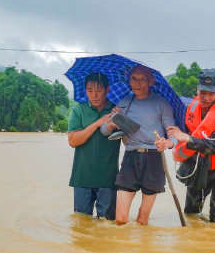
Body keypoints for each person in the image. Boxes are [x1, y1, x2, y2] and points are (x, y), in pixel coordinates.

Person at [101, 66, 178, 225]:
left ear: (151, 81)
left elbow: (173, 133)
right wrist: (112, 122)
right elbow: (104, 131)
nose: (137, 83)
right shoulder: (124, 102)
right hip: (130, 158)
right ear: (129, 80)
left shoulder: (162, 103)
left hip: (154, 159)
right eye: (134, 78)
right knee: (120, 219)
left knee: (142, 220)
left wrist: (167, 143)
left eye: (142, 79)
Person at [167, 68, 215, 222]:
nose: (206, 97)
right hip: (199, 165)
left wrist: (187, 138)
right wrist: (173, 137)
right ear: (197, 90)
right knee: (191, 213)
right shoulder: (191, 108)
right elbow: (181, 133)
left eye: (211, 93)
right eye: (202, 93)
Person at [68, 73, 121, 220]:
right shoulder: (78, 111)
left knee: (107, 226)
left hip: (108, 178)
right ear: (85, 91)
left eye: (99, 90)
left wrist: (121, 120)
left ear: (107, 89)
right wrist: (98, 123)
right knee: (81, 225)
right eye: (90, 90)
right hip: (82, 177)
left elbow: (128, 141)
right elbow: (73, 141)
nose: (94, 95)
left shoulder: (116, 110)